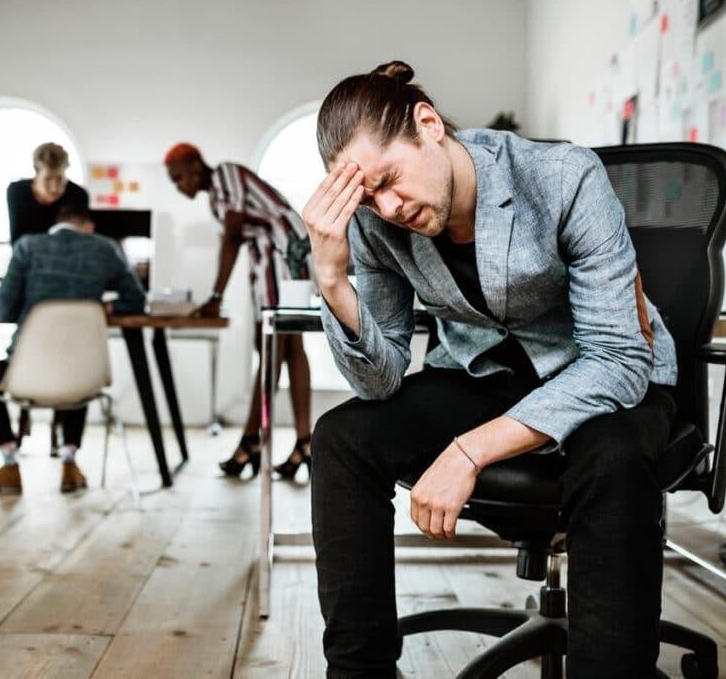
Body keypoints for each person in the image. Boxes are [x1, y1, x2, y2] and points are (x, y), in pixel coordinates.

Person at [304, 61, 677, 677]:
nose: (388, 206)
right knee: (342, 438)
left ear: (428, 124)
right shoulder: (375, 222)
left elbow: (617, 359)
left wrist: (468, 452)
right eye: (367, 196)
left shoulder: (563, 177)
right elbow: (381, 380)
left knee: (611, 455)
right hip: (483, 374)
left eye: (389, 179)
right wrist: (332, 279)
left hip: (602, 371)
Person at [164, 143, 314, 479]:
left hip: (282, 254)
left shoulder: (226, 174)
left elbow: (232, 236)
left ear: (195, 167)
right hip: (266, 259)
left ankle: (253, 441)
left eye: (178, 178)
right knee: (285, 348)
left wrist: (215, 296)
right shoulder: (215, 198)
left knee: (276, 348)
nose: (178, 186)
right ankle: (301, 442)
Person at [0, 203, 145, 495]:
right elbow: (136, 300)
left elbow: (2, 308)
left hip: (27, 371)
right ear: (89, 227)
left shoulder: (28, 247)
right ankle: (70, 462)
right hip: (83, 376)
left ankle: (9, 463)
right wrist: (108, 307)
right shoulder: (104, 248)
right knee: (77, 374)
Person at [7, 142, 90, 245]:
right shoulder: (17, 192)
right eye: (47, 179)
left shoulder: (78, 195)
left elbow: (82, 240)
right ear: (36, 175)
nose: (54, 188)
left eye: (59, 179)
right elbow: (16, 240)